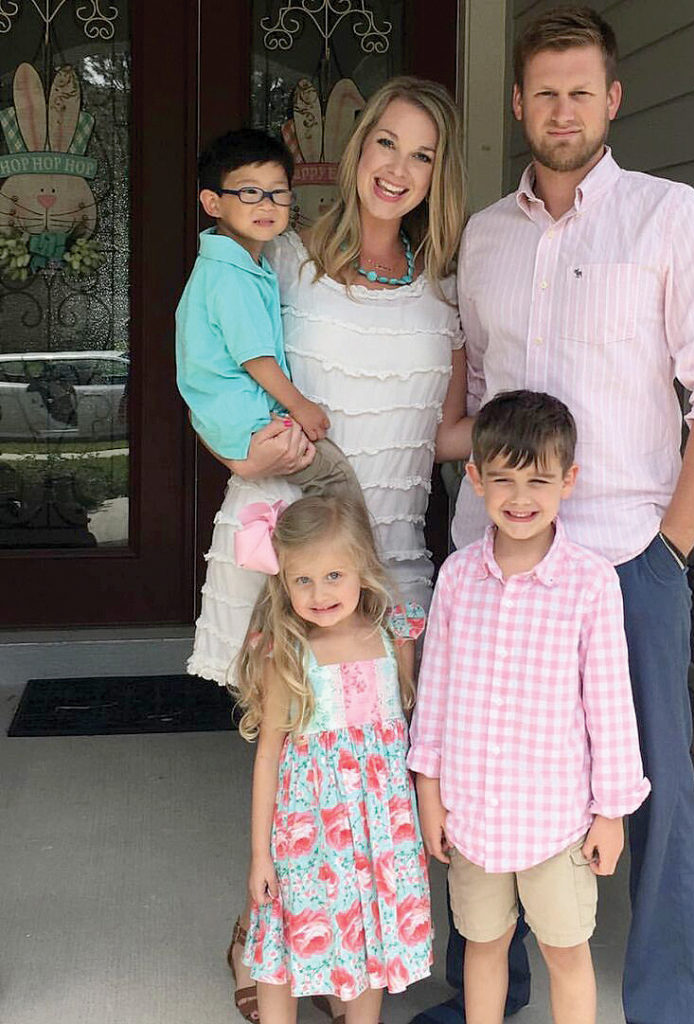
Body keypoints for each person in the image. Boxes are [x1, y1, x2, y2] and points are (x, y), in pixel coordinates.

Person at [424, 9, 694, 1024]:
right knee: (489, 766)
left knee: (652, 789)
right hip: (495, 561)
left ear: (612, 99)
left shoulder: (671, 219)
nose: (561, 108)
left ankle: (663, 1008)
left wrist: (667, 553)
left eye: (581, 90)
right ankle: (487, 991)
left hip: (622, 556)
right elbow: (480, 388)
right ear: (518, 103)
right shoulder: (485, 236)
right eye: (543, 91)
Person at [183, 78, 467, 1023]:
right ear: (355, 150)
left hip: (387, 558)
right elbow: (215, 360)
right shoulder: (284, 260)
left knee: (368, 771)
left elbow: (440, 434)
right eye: (384, 143)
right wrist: (233, 448)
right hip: (287, 544)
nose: (397, 168)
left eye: (420, 154)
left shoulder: (445, 288)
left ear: (439, 173)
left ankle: (346, 949)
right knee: (287, 749)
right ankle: (260, 930)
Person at [409, 391, 649, 1024]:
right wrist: (429, 795)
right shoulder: (458, 578)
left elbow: (610, 709)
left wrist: (611, 814)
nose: (520, 497)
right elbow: (432, 697)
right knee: (482, 945)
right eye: (504, 479)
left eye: (539, 479)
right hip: (472, 817)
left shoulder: (591, 584)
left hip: (558, 823)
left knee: (565, 951)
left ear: (568, 480)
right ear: (475, 479)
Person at [233, 495, 432, 1024]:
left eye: (334, 575)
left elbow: (411, 738)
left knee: (370, 937)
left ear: (362, 569)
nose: (319, 594)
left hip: (380, 833)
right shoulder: (289, 654)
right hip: (308, 833)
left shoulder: (395, 638)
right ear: (283, 581)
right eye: (303, 580)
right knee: (288, 940)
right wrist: (260, 854)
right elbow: (270, 754)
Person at [175, 128, 360, 502]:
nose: (266, 204)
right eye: (249, 192)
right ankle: (340, 560)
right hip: (247, 419)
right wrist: (300, 406)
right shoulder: (232, 276)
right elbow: (255, 358)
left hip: (231, 416)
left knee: (292, 504)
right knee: (335, 483)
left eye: (278, 193)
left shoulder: (234, 264)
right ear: (213, 203)